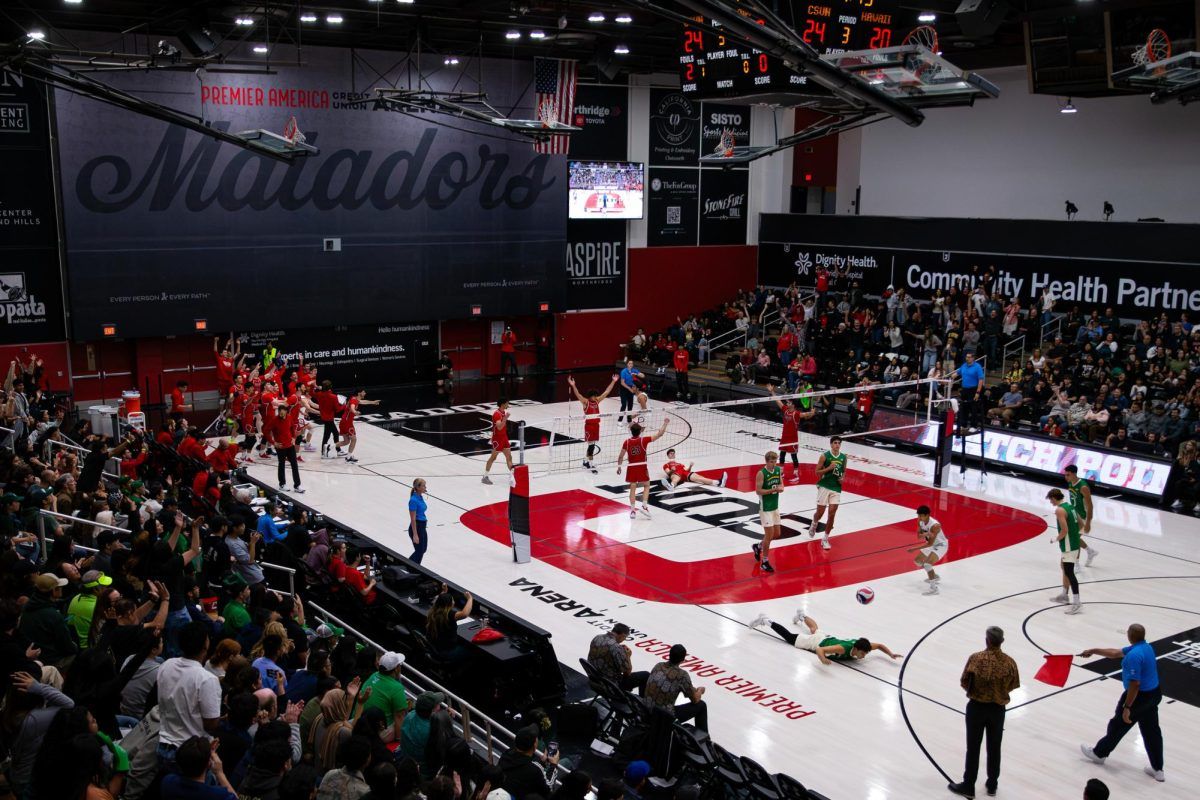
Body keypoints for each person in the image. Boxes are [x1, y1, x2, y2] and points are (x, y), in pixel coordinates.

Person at [1079, 623, 1164, 783]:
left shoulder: (1134, 656)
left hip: (1139, 697)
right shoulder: (1146, 647)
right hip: (1154, 694)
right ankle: (1158, 769)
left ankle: (1099, 753)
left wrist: (1127, 707)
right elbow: (1116, 653)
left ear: (1130, 636)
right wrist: (1094, 650)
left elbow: (1135, 684)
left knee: (1118, 725)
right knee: (1152, 732)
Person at [947, 626, 1020, 799]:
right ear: (1002, 641)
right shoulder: (1010, 662)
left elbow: (964, 681)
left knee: (973, 747)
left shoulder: (976, 658)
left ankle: (969, 785)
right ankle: (992, 784)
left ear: (987, 640)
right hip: (997, 710)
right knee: (994, 748)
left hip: (976, 708)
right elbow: (1014, 684)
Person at [157, 621, 222, 773]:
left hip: (162, 745)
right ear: (205, 645)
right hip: (189, 755)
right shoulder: (206, 679)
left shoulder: (166, 665)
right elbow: (211, 724)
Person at [749, 611, 902, 665]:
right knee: (789, 637)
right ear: (855, 649)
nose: (863, 656)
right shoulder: (844, 649)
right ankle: (766, 620)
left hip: (828, 637)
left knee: (815, 629)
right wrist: (822, 659)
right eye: (863, 653)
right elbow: (820, 649)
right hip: (818, 642)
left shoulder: (864, 645)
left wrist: (890, 654)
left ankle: (802, 615)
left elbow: (880, 645)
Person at [644, 644, 707, 731]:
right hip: (663, 716)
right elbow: (695, 699)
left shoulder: (658, 665)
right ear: (683, 660)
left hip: (646, 709)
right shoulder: (682, 675)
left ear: (669, 655)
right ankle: (704, 741)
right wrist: (700, 690)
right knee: (701, 705)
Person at [616, 418, 669, 519]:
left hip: (631, 467)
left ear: (631, 432)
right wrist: (665, 423)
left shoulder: (626, 442)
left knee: (632, 487)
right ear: (640, 432)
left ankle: (632, 511)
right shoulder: (643, 440)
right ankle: (644, 506)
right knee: (647, 485)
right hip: (641, 466)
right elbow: (659, 434)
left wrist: (619, 467)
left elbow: (620, 456)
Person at [567, 374, 618, 473]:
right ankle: (590, 464)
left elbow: (606, 392)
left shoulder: (597, 401)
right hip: (589, 427)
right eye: (593, 396)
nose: (595, 397)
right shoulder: (586, 402)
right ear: (590, 396)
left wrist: (613, 381)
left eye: (595, 396)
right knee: (591, 447)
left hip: (596, 426)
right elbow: (578, 395)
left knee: (592, 445)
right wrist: (573, 385)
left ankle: (585, 462)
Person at [161, 736, 239, 800]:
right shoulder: (218, 795)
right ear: (209, 764)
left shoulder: (168, 781)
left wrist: (205, 755)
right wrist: (220, 773)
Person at [356, 651, 408, 742]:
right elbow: (399, 717)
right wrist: (398, 742)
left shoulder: (374, 675)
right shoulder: (397, 688)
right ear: (396, 669)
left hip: (359, 723)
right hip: (376, 732)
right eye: (400, 665)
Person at [1047, 489, 1083, 615]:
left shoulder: (1060, 510)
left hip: (1068, 545)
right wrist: (1075, 536)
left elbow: (1064, 530)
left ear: (1054, 497)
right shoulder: (1070, 506)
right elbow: (1081, 523)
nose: (1050, 502)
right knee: (1064, 567)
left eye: (1050, 499)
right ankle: (1064, 595)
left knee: (1069, 572)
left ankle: (1077, 603)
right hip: (1073, 543)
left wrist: (1055, 539)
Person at [586, 623, 649, 695]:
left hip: (594, 678)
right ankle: (642, 704)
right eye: (625, 637)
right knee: (646, 675)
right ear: (622, 635)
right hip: (610, 684)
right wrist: (628, 656)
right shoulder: (616, 647)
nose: (624, 640)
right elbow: (627, 672)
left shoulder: (597, 637)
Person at [808, 435, 846, 551]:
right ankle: (814, 523)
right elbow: (817, 472)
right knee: (820, 513)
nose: (837, 445)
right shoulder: (824, 456)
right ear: (831, 444)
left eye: (839, 443)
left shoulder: (843, 457)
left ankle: (825, 538)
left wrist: (842, 479)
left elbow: (844, 471)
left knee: (832, 513)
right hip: (824, 486)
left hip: (836, 487)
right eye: (835, 443)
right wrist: (829, 468)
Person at [768, 385, 813, 481]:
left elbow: (804, 414)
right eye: (787, 402)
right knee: (782, 455)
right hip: (784, 437)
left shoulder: (796, 414)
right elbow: (778, 402)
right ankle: (781, 473)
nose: (787, 403)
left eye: (789, 402)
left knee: (794, 456)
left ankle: (796, 475)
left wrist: (811, 413)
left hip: (792, 439)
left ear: (793, 404)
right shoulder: (785, 410)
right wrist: (772, 392)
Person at [497, 727, 554, 800]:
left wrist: (541, 763)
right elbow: (548, 788)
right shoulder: (535, 770)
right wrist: (553, 765)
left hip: (505, 795)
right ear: (534, 746)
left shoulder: (505, 755)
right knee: (566, 761)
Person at [752, 451, 783, 574]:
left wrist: (780, 488)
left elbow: (782, 485)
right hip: (765, 508)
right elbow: (758, 491)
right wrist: (772, 490)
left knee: (777, 534)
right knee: (769, 536)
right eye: (771, 462)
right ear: (766, 461)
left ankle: (758, 546)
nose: (774, 464)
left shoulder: (777, 470)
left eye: (775, 461)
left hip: (775, 507)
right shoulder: (761, 473)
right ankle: (764, 562)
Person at [1064, 465, 1099, 567]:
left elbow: (1090, 506)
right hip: (1075, 514)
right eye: (1065, 475)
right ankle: (1090, 551)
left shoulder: (1083, 487)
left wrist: (1088, 523)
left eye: (1068, 475)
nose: (1066, 477)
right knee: (1074, 538)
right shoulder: (1070, 482)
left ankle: (1076, 565)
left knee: (1073, 539)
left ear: (1074, 474)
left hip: (1082, 517)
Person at [909, 505, 948, 596]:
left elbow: (930, 544)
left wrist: (914, 549)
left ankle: (934, 589)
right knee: (917, 561)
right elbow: (919, 536)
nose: (919, 518)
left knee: (927, 564)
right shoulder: (920, 521)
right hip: (931, 544)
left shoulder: (935, 526)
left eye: (921, 516)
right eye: (918, 515)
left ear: (927, 515)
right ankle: (934, 576)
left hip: (940, 545)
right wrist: (925, 533)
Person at [336, 389, 380, 464]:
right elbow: (352, 407)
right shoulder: (354, 400)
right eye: (364, 392)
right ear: (359, 393)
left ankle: (328, 447)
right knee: (354, 439)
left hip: (344, 421)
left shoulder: (354, 399)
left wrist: (373, 402)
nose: (365, 393)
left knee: (346, 441)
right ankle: (348, 458)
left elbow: (363, 402)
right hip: (347, 423)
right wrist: (355, 412)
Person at [660, 448, 726, 492]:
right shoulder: (666, 465)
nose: (673, 454)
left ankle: (718, 483)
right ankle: (671, 486)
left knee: (700, 478)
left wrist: (690, 466)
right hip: (675, 473)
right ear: (668, 455)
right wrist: (672, 470)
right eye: (671, 453)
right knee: (675, 477)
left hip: (685, 473)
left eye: (673, 453)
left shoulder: (680, 464)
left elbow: (687, 470)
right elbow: (668, 473)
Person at [482, 399, 515, 484]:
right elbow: (499, 427)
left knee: (509, 457)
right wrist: (505, 418)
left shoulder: (503, 412)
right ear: (503, 404)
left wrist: (505, 417)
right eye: (507, 403)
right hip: (498, 439)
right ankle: (485, 477)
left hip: (504, 437)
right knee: (493, 458)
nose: (508, 404)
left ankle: (513, 477)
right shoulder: (496, 414)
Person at [958, 352, 986, 431]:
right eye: (966, 357)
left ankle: (974, 426)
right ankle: (964, 425)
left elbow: (981, 380)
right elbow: (957, 373)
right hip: (965, 389)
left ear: (973, 358)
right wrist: (949, 377)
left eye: (969, 357)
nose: (967, 358)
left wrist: (977, 392)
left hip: (973, 389)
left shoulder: (977, 367)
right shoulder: (964, 365)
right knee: (964, 408)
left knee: (973, 408)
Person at [408, 478, 429, 564]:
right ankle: (411, 566)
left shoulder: (420, 497)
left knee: (423, 550)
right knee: (419, 551)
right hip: (417, 527)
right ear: (418, 487)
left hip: (422, 526)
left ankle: (410, 565)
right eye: (424, 485)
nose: (425, 487)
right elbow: (413, 519)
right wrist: (415, 535)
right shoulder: (413, 500)